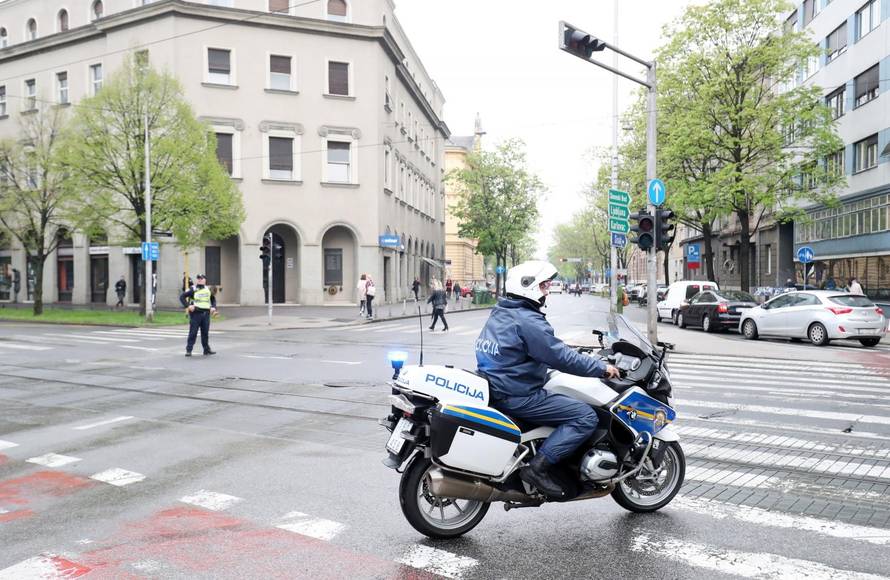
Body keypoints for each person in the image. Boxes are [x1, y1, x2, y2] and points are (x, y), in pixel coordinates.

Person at [475, 261, 619, 498]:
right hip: (518, 394)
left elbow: (544, 349)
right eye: (543, 286)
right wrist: (601, 368)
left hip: (496, 384)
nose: (547, 291)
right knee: (585, 416)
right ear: (527, 286)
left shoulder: (502, 312)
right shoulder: (528, 320)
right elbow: (561, 357)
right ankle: (538, 467)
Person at [180, 274, 217, 357]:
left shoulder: (207, 289)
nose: (200, 280)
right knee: (193, 333)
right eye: (198, 278)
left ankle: (206, 350)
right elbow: (182, 297)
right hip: (196, 314)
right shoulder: (193, 289)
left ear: (205, 280)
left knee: (205, 333)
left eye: (201, 278)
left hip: (206, 314)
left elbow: (213, 299)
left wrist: (213, 307)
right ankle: (189, 350)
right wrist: (188, 306)